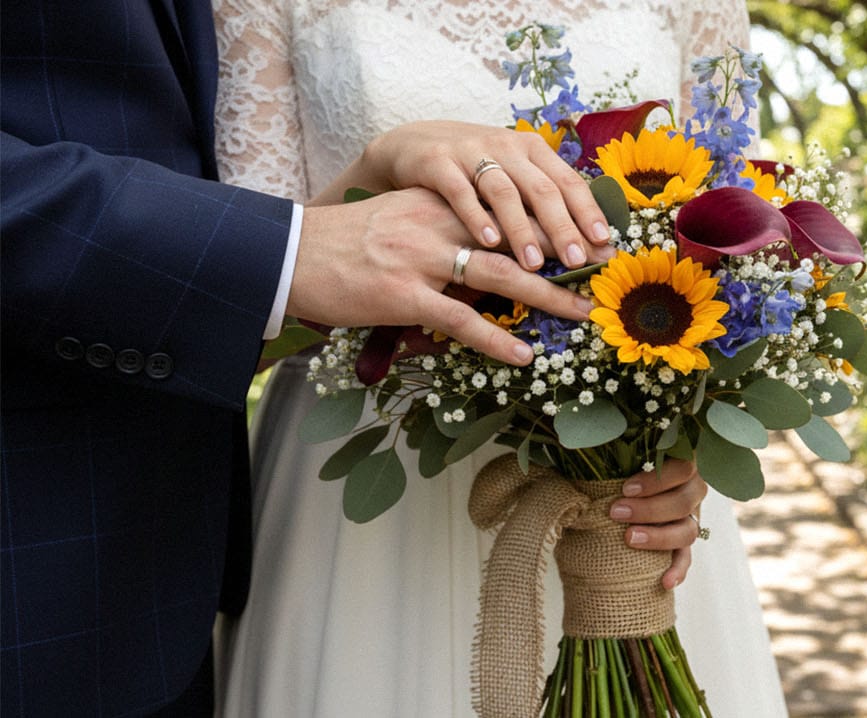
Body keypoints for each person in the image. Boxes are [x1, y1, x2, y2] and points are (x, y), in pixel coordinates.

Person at [0, 0, 696, 714]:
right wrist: (309, 241)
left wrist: (679, 436)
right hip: (346, 527)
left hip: (632, 521)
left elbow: (733, 236)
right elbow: (262, 306)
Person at [209, 0, 788, 715]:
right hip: (357, 523)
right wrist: (371, 181)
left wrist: (687, 450)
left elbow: (739, 249)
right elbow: (226, 300)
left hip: (622, 506)